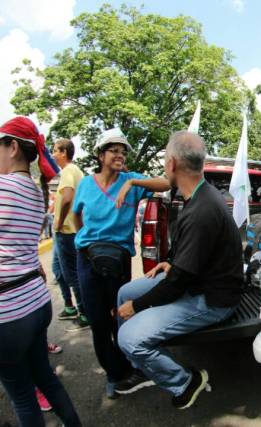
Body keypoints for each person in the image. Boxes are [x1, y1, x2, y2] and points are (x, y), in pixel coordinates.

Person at [114, 131, 244, 409]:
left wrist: (137, 306)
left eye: (164, 161)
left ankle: (185, 381)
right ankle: (142, 367)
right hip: (193, 280)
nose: (163, 167)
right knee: (124, 291)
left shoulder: (203, 210)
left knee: (128, 335)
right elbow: (194, 257)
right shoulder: (197, 193)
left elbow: (176, 284)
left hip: (213, 299)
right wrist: (173, 262)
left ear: (172, 164)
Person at [72, 127, 170, 398]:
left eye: (123, 151)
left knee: (120, 315)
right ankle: (115, 374)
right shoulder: (86, 183)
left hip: (118, 260)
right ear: (101, 155)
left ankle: (132, 366)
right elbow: (76, 217)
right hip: (88, 258)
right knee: (98, 320)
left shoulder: (132, 179)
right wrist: (89, 240)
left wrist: (132, 184)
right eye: (114, 150)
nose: (120, 155)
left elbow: (166, 183)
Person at [0, 116, 81, 426]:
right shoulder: (37, 192)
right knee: (46, 379)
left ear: (12, 147)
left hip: (8, 313)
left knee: (22, 396)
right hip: (36, 302)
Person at [51, 138, 89, 332]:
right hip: (65, 232)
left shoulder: (68, 170)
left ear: (64, 152)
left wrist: (58, 222)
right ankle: (69, 306)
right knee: (57, 270)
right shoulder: (74, 171)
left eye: (55, 150)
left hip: (66, 231)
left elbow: (67, 198)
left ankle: (84, 312)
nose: (53, 154)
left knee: (71, 274)